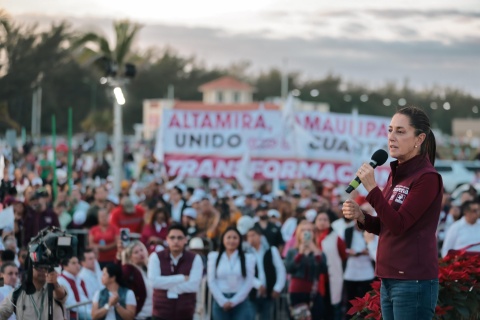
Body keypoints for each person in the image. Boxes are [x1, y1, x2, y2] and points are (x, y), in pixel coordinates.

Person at [342, 106, 443, 320]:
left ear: (419, 138)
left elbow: (399, 225)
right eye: (390, 130)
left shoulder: (427, 178)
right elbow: (386, 225)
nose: (391, 137)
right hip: (389, 278)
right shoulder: (395, 174)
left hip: (413, 281)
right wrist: (362, 217)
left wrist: (372, 190)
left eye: (400, 131)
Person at [148, 224, 203, 320]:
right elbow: (154, 282)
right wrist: (181, 278)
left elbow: (193, 286)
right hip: (160, 313)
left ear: (186, 240)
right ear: (167, 239)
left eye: (179, 238)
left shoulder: (195, 258)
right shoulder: (156, 257)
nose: (176, 241)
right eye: (172, 238)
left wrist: (166, 286)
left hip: (185, 313)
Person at [207, 226, 255, 320]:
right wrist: (223, 301)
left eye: (235, 237)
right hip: (220, 299)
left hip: (240, 300)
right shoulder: (214, 257)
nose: (231, 241)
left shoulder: (248, 258)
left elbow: (249, 281)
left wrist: (234, 301)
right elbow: (211, 281)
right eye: (228, 237)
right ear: (223, 239)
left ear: (240, 240)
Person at [285, 220, 327, 319]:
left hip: (313, 292)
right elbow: (289, 269)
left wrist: (315, 252)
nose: (306, 232)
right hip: (296, 292)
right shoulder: (292, 251)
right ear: (299, 234)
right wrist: (300, 253)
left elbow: (324, 269)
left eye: (309, 230)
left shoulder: (318, 252)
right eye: (303, 230)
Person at [0, 258, 68, 319]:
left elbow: (61, 295)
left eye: (46, 268)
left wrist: (54, 283)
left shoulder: (55, 288)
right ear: (29, 269)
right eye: (39, 267)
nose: (44, 270)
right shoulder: (17, 292)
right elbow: (2, 313)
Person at [246, 227, 286, 319]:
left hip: (269, 292)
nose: (251, 238)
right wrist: (258, 285)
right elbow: (246, 273)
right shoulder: (247, 253)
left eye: (253, 235)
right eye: (249, 236)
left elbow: (280, 269)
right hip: (252, 293)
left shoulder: (271, 250)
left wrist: (278, 287)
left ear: (260, 236)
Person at [315, 211, 347, 320]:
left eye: (325, 220)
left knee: (333, 308)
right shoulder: (312, 237)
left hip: (332, 277)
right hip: (316, 279)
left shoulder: (335, 238)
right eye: (320, 219)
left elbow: (343, 255)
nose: (322, 222)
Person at [118, 240, 153, 320]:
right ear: (130, 257)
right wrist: (122, 257)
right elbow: (123, 274)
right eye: (136, 252)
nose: (140, 253)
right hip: (140, 315)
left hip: (154, 313)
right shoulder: (130, 270)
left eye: (141, 250)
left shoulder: (150, 268)